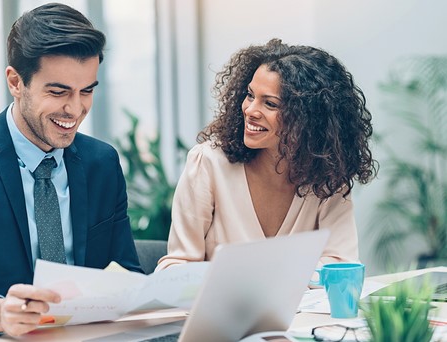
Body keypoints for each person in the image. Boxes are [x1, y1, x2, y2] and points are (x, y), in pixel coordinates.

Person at [0, 2, 142, 342]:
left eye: (87, 91)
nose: (75, 109)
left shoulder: (102, 163)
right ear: (15, 82)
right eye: (58, 91)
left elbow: (127, 274)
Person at [156, 38, 377, 271]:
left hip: (300, 309)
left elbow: (342, 265)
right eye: (250, 95)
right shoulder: (208, 162)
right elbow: (175, 267)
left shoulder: (327, 177)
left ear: (309, 119)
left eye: (270, 104)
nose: (250, 110)